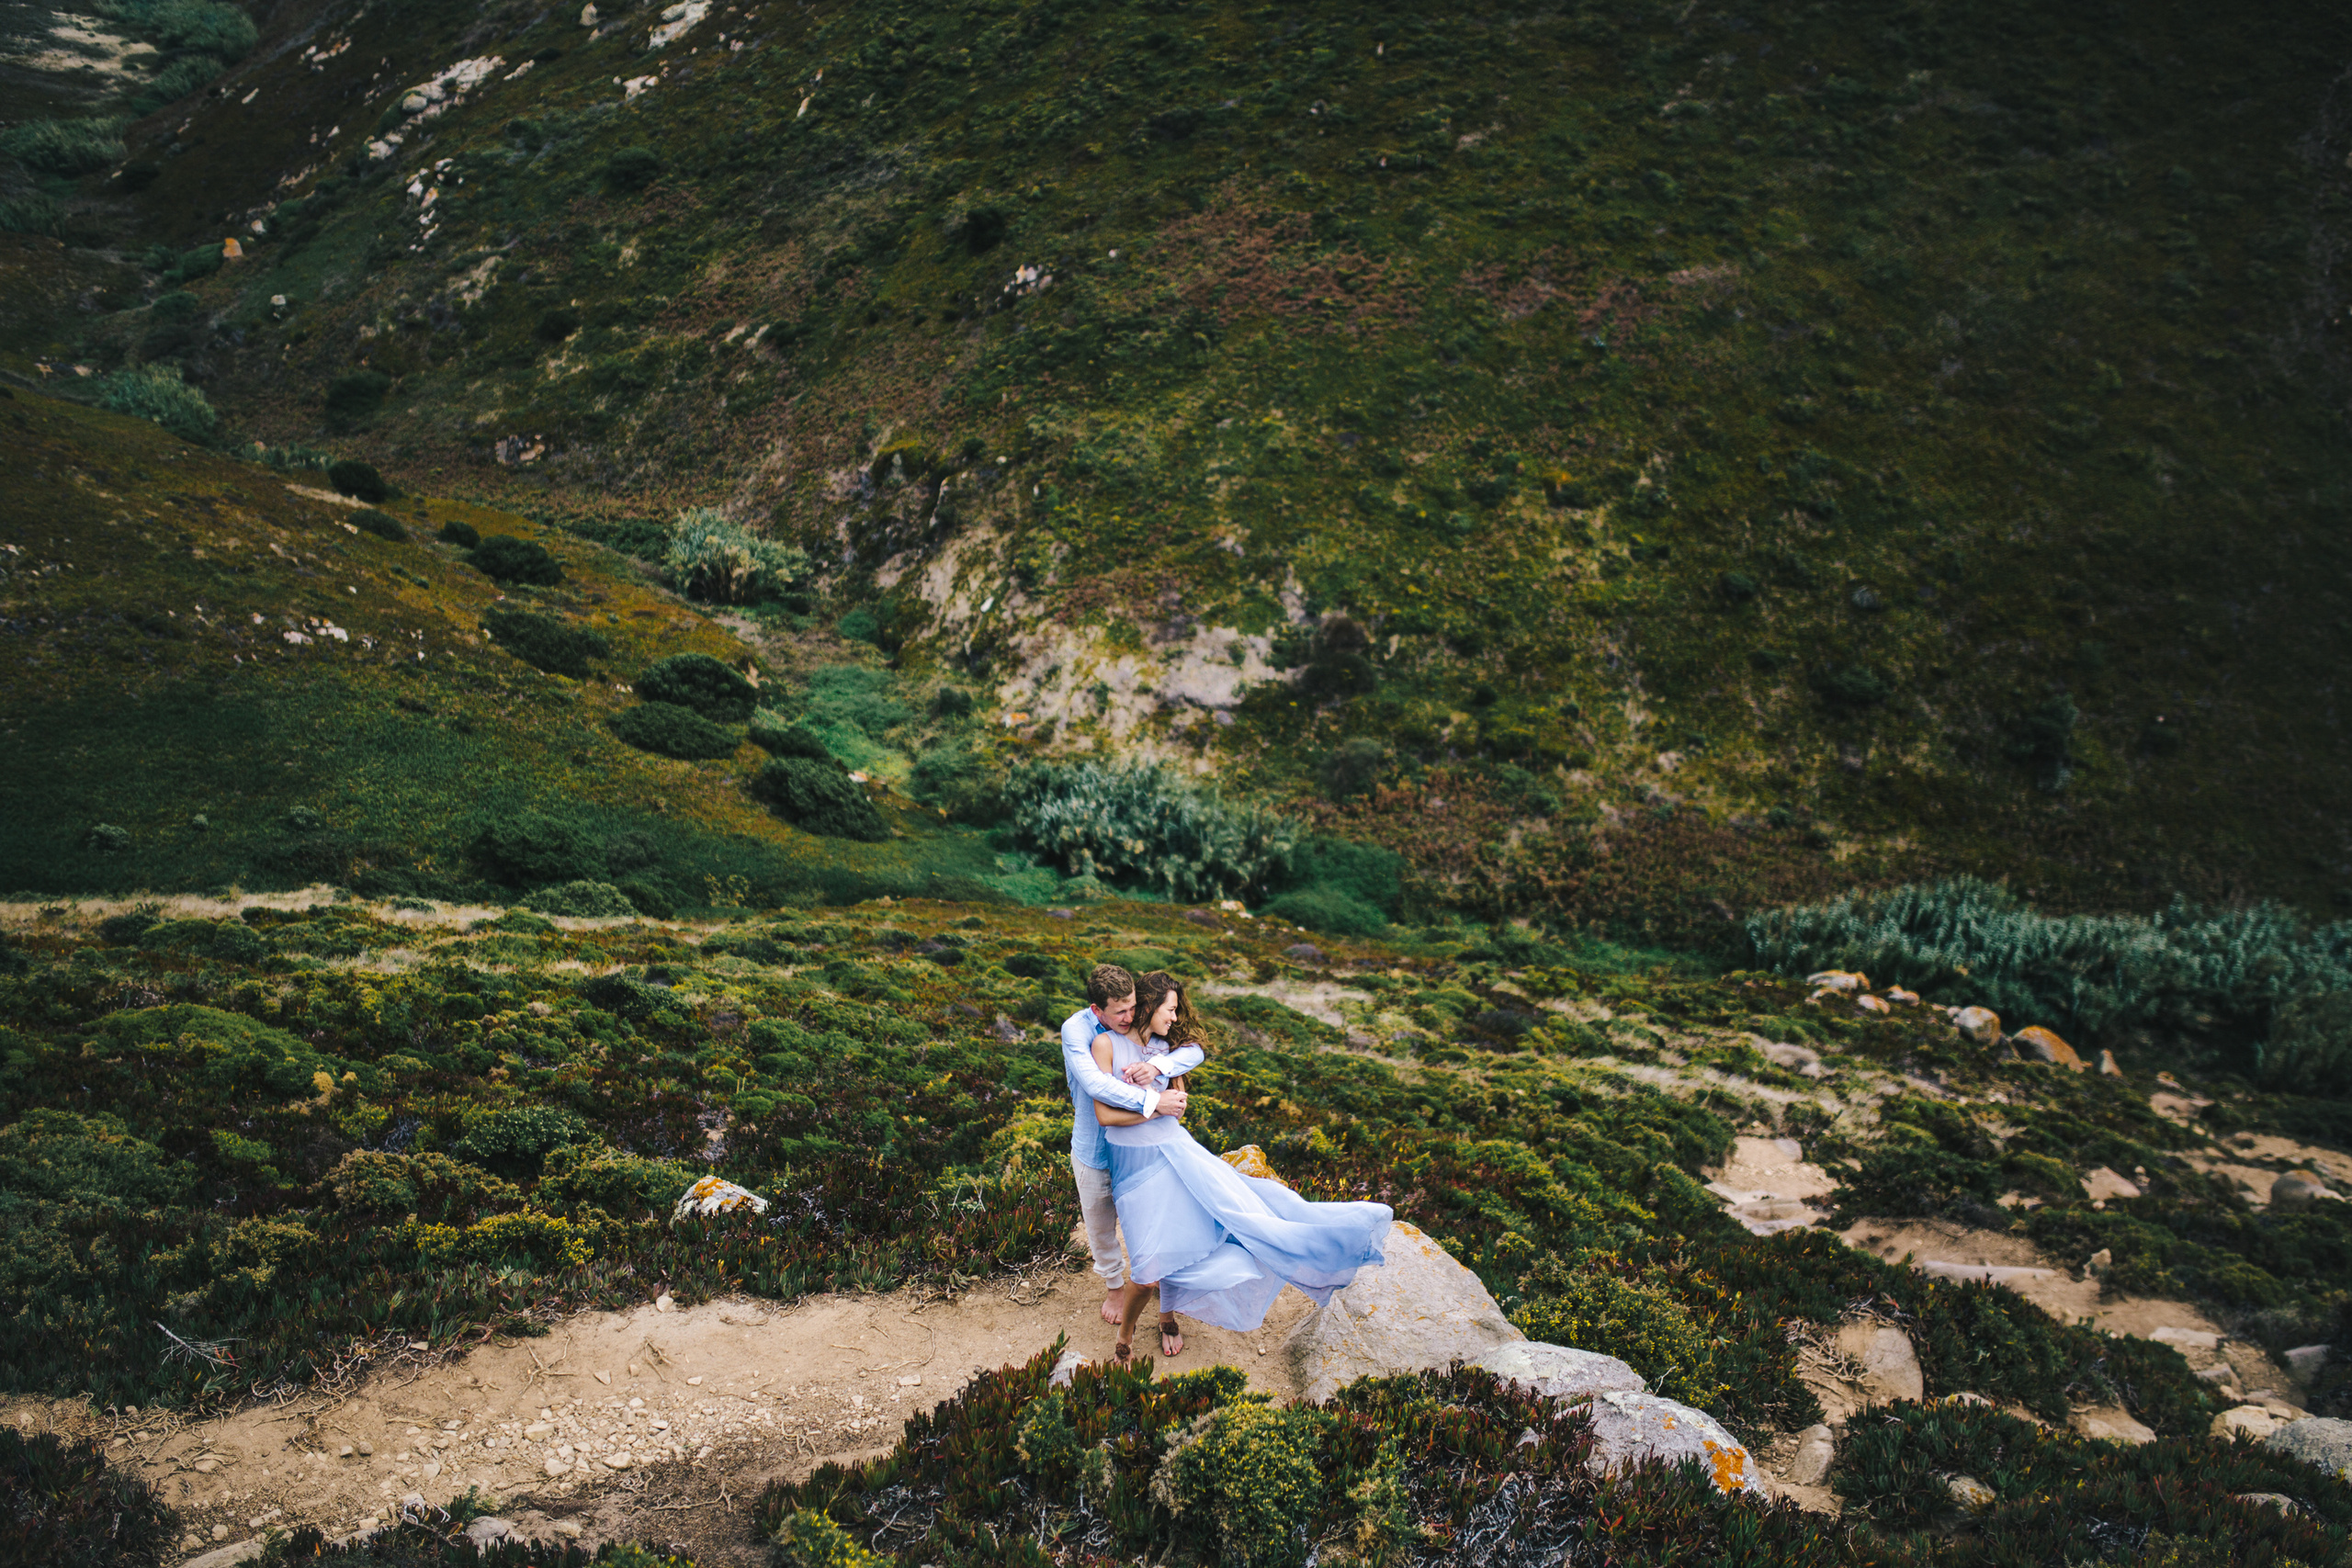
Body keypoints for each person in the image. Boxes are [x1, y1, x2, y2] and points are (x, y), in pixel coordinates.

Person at [1092, 971, 1392, 1364]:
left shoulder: (1167, 1049)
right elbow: (1106, 1116)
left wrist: (1162, 1078)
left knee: (1195, 1239)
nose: (1174, 1015)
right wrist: (1156, 1106)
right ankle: (1126, 1336)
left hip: (1177, 1156)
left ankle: (1167, 1315)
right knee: (1146, 1273)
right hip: (1135, 1170)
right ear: (1149, 1007)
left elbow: (1180, 1100)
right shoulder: (1105, 1044)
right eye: (1169, 1009)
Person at [1061, 964, 1204, 1327]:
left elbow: (1194, 1051)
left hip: (1141, 1152)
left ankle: (1161, 1287)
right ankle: (1113, 1285)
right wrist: (1156, 1104)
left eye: (1132, 1007)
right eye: (1119, 1011)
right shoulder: (1080, 1031)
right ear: (1098, 1010)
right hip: (1094, 1145)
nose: (1128, 1017)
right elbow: (1097, 1086)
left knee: (1154, 1220)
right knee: (1099, 1222)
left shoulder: (1151, 1040)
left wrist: (1159, 1066)